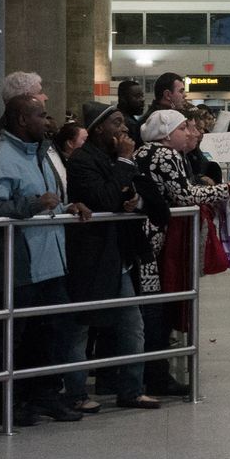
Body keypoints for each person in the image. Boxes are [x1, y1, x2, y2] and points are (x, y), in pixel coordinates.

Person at [0, 94, 88, 425]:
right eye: (41, 115)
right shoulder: (0, 160)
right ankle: (4, 402)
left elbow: (51, 199)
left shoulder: (43, 154)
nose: (47, 120)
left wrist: (68, 207)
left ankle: (44, 395)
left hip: (51, 261)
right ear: (22, 120)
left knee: (51, 333)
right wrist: (31, 205)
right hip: (19, 265)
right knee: (12, 336)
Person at [134, 110, 230, 394]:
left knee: (151, 308)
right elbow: (185, 195)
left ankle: (147, 371)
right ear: (167, 133)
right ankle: (155, 375)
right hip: (155, 241)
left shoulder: (145, 152)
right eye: (184, 127)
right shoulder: (164, 155)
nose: (190, 132)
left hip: (147, 240)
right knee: (155, 309)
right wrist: (226, 189)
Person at [67, 102, 171, 409]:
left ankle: (131, 388)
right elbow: (102, 199)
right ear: (99, 129)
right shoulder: (82, 161)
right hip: (91, 256)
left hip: (119, 256)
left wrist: (135, 200)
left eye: (124, 124)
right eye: (116, 124)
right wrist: (125, 162)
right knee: (80, 326)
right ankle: (75, 393)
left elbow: (152, 202)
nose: (124, 130)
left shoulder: (119, 160)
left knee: (131, 323)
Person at [117, 80, 146, 146]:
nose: (142, 100)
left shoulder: (129, 119)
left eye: (142, 96)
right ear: (123, 99)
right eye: (137, 96)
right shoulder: (128, 124)